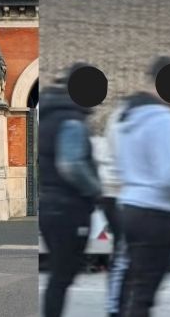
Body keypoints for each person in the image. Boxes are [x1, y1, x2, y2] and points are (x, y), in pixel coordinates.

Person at [116, 56, 170, 317]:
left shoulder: (126, 116)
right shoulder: (163, 119)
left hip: (130, 207)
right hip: (155, 213)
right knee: (143, 295)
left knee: (132, 287)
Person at [39, 64, 102, 317]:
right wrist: (96, 190)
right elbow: (71, 164)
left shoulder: (49, 116)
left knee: (59, 276)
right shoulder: (71, 120)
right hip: (68, 208)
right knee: (62, 277)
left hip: (50, 204)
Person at [94, 98, 129, 317]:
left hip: (109, 191)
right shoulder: (128, 120)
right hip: (118, 192)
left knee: (121, 251)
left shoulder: (115, 118)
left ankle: (115, 304)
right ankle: (115, 306)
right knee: (124, 252)